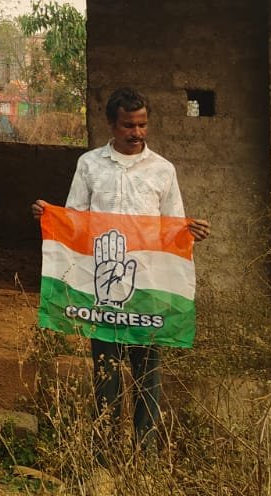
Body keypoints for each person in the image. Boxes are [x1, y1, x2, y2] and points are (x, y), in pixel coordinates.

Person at [30, 87, 210, 449]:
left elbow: (172, 226)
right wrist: (52, 216)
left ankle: (145, 454)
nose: (137, 132)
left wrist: (191, 231)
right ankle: (104, 449)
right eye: (129, 125)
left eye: (142, 124)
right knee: (106, 370)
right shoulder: (90, 165)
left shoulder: (162, 170)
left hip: (147, 286)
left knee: (148, 373)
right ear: (112, 124)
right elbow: (76, 220)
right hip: (103, 287)